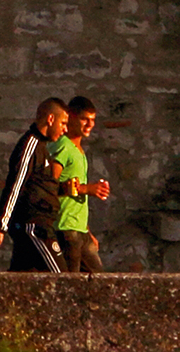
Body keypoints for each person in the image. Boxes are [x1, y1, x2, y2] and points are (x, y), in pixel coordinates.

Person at [0, 98, 68, 271]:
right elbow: (16, 184)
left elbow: (39, 186)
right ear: (50, 119)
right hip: (34, 227)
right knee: (62, 280)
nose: (65, 130)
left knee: (20, 284)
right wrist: (0, 226)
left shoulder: (43, 148)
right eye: (63, 123)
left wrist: (63, 189)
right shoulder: (30, 146)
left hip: (41, 223)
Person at [47, 96, 114, 273]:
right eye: (85, 119)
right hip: (65, 228)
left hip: (79, 230)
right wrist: (87, 189)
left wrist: (87, 231)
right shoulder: (63, 146)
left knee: (99, 280)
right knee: (71, 284)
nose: (90, 124)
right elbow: (49, 185)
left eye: (93, 120)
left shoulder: (79, 151)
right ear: (72, 118)